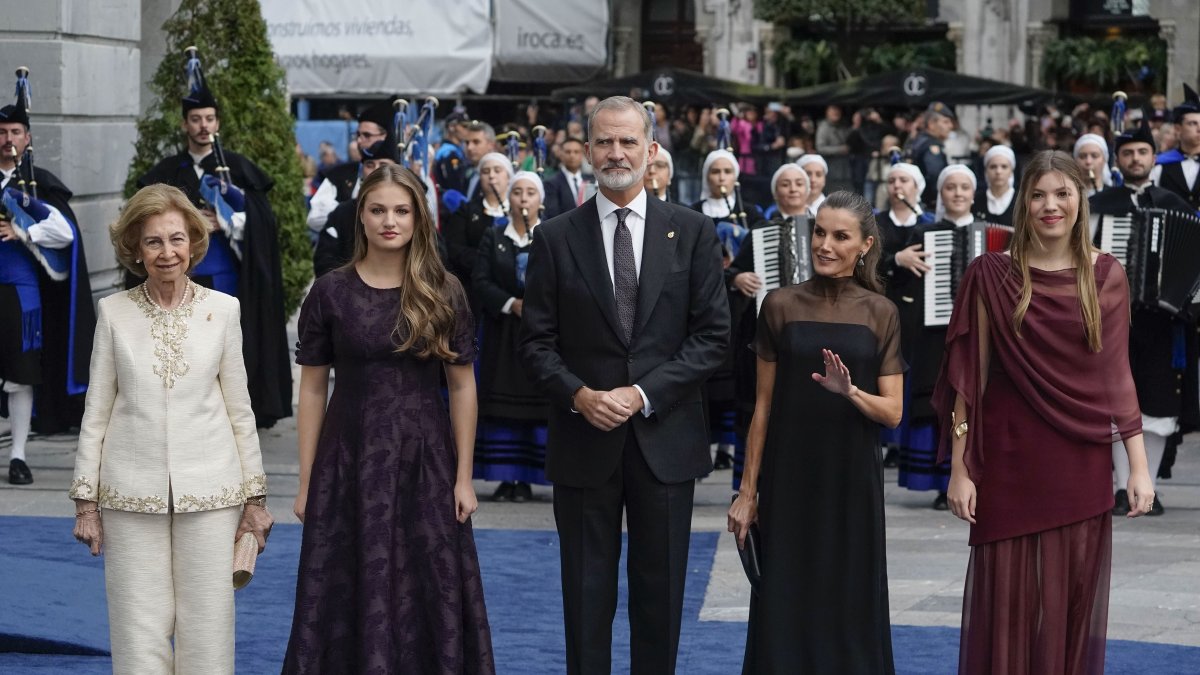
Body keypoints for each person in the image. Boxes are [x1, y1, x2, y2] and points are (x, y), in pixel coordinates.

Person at [519, 95, 730, 674]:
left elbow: (713, 338)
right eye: (605, 142)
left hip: (667, 438)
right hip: (583, 439)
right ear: (587, 152)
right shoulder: (556, 237)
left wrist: (642, 394)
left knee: (659, 598)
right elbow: (535, 343)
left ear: (652, 150)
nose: (617, 152)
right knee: (585, 598)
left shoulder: (692, 232)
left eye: (628, 141)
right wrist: (580, 395)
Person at [933, 150, 1154, 674]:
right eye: (1038, 194)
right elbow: (971, 380)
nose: (1050, 206)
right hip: (1008, 457)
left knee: (1069, 601)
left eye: (1062, 193)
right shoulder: (989, 273)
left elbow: (1116, 376)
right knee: (1008, 601)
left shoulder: (1106, 275)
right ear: (1022, 203)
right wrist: (961, 470)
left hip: (1080, 460)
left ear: (1081, 199)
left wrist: (1139, 467)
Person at [283, 165, 494, 673]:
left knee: (428, 583)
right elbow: (312, 389)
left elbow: (463, 386)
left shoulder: (444, 290)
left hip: (426, 460)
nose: (389, 221)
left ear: (419, 218)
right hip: (347, 458)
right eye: (378, 210)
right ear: (362, 216)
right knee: (344, 582)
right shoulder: (330, 292)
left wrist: (464, 478)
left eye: (401, 211)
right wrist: (307, 479)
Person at [70, 184, 273, 674]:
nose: (167, 252)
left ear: (194, 243)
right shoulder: (113, 312)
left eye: (177, 239)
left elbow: (239, 409)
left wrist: (255, 499)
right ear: (135, 250)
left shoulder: (223, 310)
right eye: (154, 242)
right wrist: (85, 501)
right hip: (128, 493)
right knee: (138, 626)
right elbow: (96, 409)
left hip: (213, 491)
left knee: (208, 625)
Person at [728, 190, 904, 673]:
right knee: (785, 596)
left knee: (850, 597)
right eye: (819, 233)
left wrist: (849, 392)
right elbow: (761, 408)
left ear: (865, 245)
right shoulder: (780, 305)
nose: (825, 244)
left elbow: (893, 413)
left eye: (840, 236)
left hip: (851, 479)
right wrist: (747, 493)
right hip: (788, 477)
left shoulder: (880, 312)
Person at [135, 51, 291, 428]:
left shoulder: (237, 169)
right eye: (196, 119)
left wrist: (226, 221)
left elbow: (260, 223)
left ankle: (228, 411)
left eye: (209, 119)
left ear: (217, 122)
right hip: (178, 275)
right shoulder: (168, 171)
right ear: (185, 124)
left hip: (227, 276)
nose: (203, 126)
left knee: (223, 346)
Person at [1090, 121, 1196, 517]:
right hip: (1110, 320)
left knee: (1158, 401)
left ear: (1153, 158)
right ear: (1117, 160)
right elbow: (1086, 254)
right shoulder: (1100, 204)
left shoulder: (1174, 203)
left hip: (1162, 323)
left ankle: (1145, 486)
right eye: (1128, 152)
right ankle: (1121, 487)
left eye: (1142, 152)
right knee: (1112, 400)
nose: (1135, 159)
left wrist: (1188, 297)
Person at [0, 70, 95, 486]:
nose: (8, 139)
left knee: (21, 373)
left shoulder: (37, 186)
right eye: (2, 132)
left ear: (28, 138)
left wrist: (21, 230)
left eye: (15, 131)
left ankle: (18, 455)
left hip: (21, 292)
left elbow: (64, 233)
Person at [893, 165, 978, 510]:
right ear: (940, 194)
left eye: (964, 188)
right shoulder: (924, 232)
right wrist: (898, 259)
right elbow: (896, 275)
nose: (957, 194)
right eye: (950, 188)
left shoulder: (989, 234)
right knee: (938, 403)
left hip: (978, 332)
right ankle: (944, 482)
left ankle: (976, 477)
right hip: (934, 333)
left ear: (973, 194)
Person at [726, 163, 812, 488]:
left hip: (811, 333)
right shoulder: (761, 231)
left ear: (808, 190)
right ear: (776, 192)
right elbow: (730, 271)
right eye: (785, 184)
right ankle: (756, 479)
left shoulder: (823, 228)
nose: (792, 189)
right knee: (763, 402)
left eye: (798, 183)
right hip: (766, 333)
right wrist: (738, 277)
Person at [472, 171, 550, 503]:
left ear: (539, 200)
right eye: (517, 192)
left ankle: (529, 478)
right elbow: (481, 279)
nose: (522, 199)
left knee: (536, 403)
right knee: (499, 402)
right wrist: (510, 303)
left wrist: (536, 305)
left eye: (530, 193)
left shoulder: (549, 237)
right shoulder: (494, 237)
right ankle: (504, 478)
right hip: (502, 332)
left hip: (538, 332)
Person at [691, 148, 763, 470]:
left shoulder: (753, 213)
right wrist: (731, 276)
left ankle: (730, 447)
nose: (721, 178)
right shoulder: (694, 213)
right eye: (715, 172)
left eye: (727, 172)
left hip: (744, 307)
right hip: (708, 302)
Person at [876, 162, 936, 469]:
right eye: (892, 180)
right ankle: (887, 439)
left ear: (917, 186)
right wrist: (896, 259)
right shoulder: (877, 221)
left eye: (904, 180)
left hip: (919, 308)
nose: (897, 185)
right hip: (885, 303)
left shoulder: (928, 222)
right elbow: (867, 260)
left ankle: (904, 440)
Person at [312, 132, 397, 278]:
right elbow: (324, 261)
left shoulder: (413, 208)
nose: (376, 170)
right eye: (370, 164)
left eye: (383, 164)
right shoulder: (343, 212)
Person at [308, 99, 393, 233]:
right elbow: (314, 218)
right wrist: (352, 211)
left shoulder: (404, 176)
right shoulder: (339, 174)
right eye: (358, 135)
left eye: (367, 135)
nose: (359, 140)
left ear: (385, 136)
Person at [444, 151, 513, 291]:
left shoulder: (518, 210)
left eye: (497, 171)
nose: (491, 176)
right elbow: (455, 248)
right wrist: (489, 262)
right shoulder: (466, 211)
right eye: (485, 171)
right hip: (474, 286)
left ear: (509, 177)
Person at [1154, 83, 1200, 208]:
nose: (1199, 129)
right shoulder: (1161, 165)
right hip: (1172, 227)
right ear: (1178, 129)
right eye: (1192, 124)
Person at [909, 102, 955, 207]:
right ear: (931, 124)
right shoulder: (931, 145)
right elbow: (936, 176)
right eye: (945, 122)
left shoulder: (919, 140)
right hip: (929, 204)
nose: (951, 126)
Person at [543, 137, 590, 219]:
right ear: (561, 154)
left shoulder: (591, 180)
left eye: (576, 152)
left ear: (583, 154)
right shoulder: (551, 183)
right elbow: (552, 215)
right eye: (568, 152)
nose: (572, 155)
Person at [973, 144, 1018, 226]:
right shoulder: (975, 200)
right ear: (986, 171)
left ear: (1011, 171)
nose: (998, 171)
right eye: (993, 167)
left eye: (1004, 167)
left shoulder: (1022, 200)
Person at [1072, 133, 1111, 197]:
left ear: (1104, 160)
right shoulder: (1070, 195)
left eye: (1094, 156)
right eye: (1082, 156)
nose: (1088, 162)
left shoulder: (1113, 195)